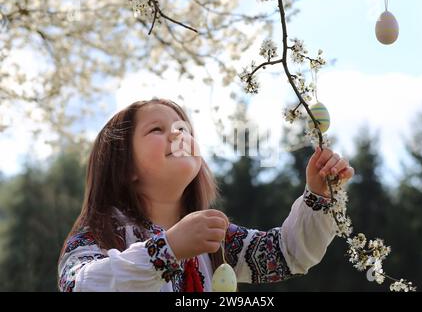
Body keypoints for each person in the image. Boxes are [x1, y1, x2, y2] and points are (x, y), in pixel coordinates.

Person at [57, 98, 354, 292]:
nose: (178, 134)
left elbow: (286, 254)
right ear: (124, 167)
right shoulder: (98, 235)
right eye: (157, 129)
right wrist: (167, 249)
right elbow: (77, 286)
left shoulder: (215, 243)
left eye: (183, 128)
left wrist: (318, 195)